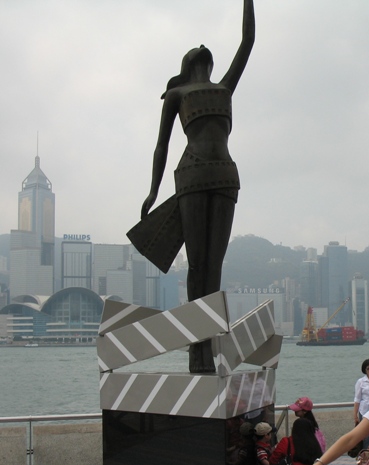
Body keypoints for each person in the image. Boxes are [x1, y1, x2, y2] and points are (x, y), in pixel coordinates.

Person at [134, 0, 255, 374]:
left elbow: (247, 41)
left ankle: (211, 346)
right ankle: (196, 350)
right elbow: (161, 145)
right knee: (197, 264)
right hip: (191, 175)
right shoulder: (177, 95)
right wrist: (153, 191)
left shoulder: (224, 87)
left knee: (214, 268)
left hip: (224, 176)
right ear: (187, 65)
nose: (202, 46)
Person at [354, 358, 369, 447]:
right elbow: (357, 399)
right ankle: (365, 456)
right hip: (364, 412)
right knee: (366, 436)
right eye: (368, 368)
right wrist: (355, 415)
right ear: (365, 370)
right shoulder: (361, 382)